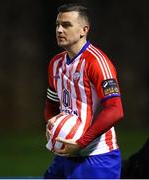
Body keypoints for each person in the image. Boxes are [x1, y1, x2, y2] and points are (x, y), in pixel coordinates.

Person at [43, 3, 124, 179]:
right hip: (66, 154)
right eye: (57, 25)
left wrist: (81, 143)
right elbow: (51, 101)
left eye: (66, 25)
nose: (59, 30)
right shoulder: (55, 63)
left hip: (97, 158)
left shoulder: (97, 63)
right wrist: (51, 123)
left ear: (83, 30)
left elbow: (115, 110)